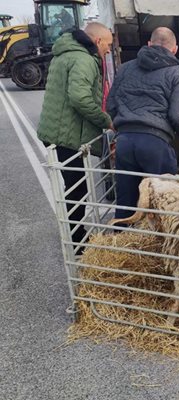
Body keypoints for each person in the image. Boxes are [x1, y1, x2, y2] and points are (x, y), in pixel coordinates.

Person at [107, 27, 179, 219]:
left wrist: (123, 127)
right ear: (175, 49)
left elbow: (111, 105)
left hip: (124, 141)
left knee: (126, 197)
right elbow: (178, 114)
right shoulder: (178, 74)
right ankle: (163, 243)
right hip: (155, 143)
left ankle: (120, 241)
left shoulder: (125, 68)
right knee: (165, 198)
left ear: (149, 44)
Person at [37, 22, 113, 249]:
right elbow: (79, 98)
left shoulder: (65, 54)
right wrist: (106, 121)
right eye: (108, 45)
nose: (108, 50)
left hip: (56, 129)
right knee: (77, 187)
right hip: (66, 133)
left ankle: (75, 232)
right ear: (98, 41)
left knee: (74, 185)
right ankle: (76, 240)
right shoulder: (83, 60)